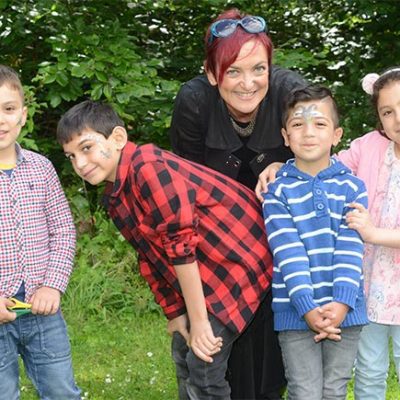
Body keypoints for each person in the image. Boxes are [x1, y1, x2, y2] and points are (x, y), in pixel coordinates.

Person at [56, 100, 274, 400]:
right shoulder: (115, 198)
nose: (79, 163)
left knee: (204, 362)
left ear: (118, 138)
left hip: (240, 261)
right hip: (207, 270)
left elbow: (180, 246)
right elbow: (150, 258)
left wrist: (199, 321)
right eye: (71, 156)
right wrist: (175, 313)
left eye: (86, 148)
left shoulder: (148, 166)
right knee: (182, 350)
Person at [169, 8, 306, 398]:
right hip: (217, 237)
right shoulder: (193, 102)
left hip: (279, 234)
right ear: (212, 73)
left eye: (258, 69)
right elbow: (184, 188)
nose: (248, 83)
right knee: (215, 341)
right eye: (233, 71)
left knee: (272, 342)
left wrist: (287, 162)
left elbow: (323, 152)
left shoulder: (291, 93)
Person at [256, 68, 400, 399]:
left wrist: (342, 302)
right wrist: (306, 305)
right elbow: (286, 250)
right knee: (305, 391)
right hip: (295, 312)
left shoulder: (352, 187)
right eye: (298, 125)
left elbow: (350, 247)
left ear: (336, 135)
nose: (308, 133)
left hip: (346, 310)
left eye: (319, 124)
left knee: (335, 390)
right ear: (285, 135)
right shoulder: (279, 192)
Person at [0, 65, 81, 399]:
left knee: (61, 391)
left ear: (23, 114)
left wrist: (52, 285)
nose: (1, 119)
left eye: (8, 109)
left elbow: (63, 230)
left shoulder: (41, 168)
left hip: (42, 310)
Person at [341, 67, 400, 399]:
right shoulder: (369, 147)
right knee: (369, 368)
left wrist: (372, 233)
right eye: (387, 112)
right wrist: (283, 166)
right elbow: (327, 167)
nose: (397, 119)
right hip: (371, 285)